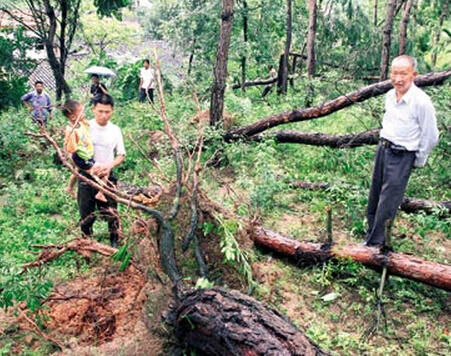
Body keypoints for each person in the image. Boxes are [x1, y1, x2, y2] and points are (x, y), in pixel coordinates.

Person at [364, 55, 439, 247]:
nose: (398, 78)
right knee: (375, 196)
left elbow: (431, 135)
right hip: (384, 149)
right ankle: (369, 238)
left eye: (403, 74)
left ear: (413, 75)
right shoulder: (390, 95)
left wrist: (418, 159)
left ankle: (377, 247)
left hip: (402, 155)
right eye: (395, 73)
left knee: (388, 202)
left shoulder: (421, 102)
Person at [77, 94, 126, 247]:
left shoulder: (115, 130)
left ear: (112, 111)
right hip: (87, 176)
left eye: (107, 112)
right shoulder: (85, 127)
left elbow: (121, 154)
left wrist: (109, 166)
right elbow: (76, 152)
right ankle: (86, 243)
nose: (104, 115)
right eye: (100, 111)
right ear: (93, 110)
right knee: (86, 213)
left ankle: (114, 241)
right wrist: (91, 167)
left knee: (111, 212)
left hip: (107, 176)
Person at [61, 99, 107, 203]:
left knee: (77, 171)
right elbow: (71, 149)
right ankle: (101, 193)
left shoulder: (81, 123)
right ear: (73, 117)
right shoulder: (71, 130)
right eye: (81, 113)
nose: (84, 114)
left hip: (85, 155)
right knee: (105, 171)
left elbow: (89, 123)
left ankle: (69, 188)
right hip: (81, 157)